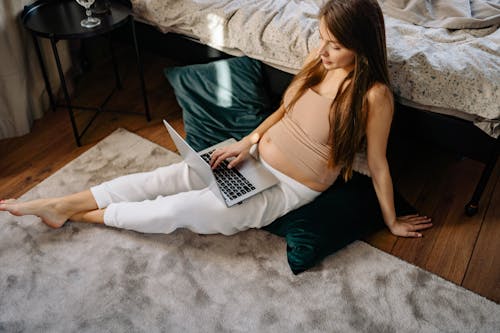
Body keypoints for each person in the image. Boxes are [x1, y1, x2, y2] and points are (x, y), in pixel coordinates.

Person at [0, 0, 432, 237]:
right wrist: (246, 143)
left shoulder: (374, 97)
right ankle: (64, 204)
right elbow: (283, 110)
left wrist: (391, 220)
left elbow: (377, 165)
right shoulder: (317, 61)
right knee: (163, 179)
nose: (321, 50)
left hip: (287, 188)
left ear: (361, 44)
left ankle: (69, 213)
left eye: (334, 45)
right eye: (321, 39)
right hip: (253, 156)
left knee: (183, 210)